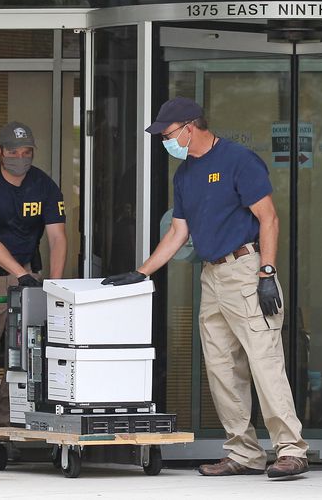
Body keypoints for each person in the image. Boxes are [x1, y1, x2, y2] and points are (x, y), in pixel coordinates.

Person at [102, 97, 309, 478]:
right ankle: (243, 453)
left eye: (167, 134)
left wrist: (266, 273)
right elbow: (178, 231)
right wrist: (142, 272)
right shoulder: (184, 175)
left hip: (246, 269)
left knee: (264, 363)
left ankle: (291, 450)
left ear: (189, 127)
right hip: (212, 276)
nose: (165, 141)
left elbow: (269, 218)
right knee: (221, 368)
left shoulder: (238, 160)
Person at [0, 121, 67, 468]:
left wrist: (54, 285)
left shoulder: (44, 185)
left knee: (25, 360)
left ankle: (7, 433)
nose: (21, 157)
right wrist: (21, 275)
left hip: (29, 279)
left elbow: (58, 238)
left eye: (27, 151)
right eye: (14, 151)